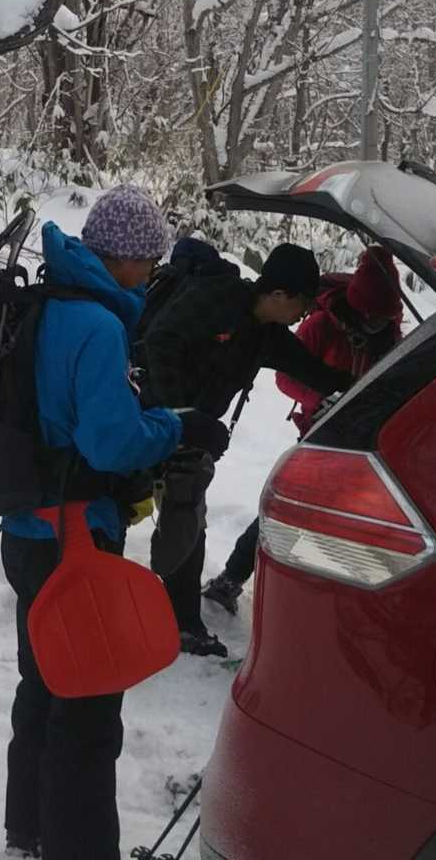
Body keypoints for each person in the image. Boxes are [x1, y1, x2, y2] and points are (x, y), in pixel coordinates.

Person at [0, 186, 227, 860]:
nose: (152, 272)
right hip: (74, 539)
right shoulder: (97, 326)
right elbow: (110, 444)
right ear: (123, 258)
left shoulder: (46, 303)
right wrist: (175, 428)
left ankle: (28, 832)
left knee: (43, 686)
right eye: (149, 260)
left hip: (26, 529)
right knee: (89, 712)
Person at [134, 241, 352, 657]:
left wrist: (366, 386)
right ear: (280, 294)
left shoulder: (265, 333)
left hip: (190, 436)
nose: (305, 314)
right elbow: (160, 340)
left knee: (186, 512)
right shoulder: (217, 299)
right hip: (151, 418)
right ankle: (91, 588)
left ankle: (182, 622)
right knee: (121, 502)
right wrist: (179, 414)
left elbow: (311, 370)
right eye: (304, 304)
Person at [203, 245, 405, 615]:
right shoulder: (322, 325)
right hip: (320, 435)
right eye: (371, 316)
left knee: (347, 526)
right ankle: (231, 578)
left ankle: (320, 600)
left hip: (369, 444)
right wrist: (322, 399)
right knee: (288, 508)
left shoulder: (390, 335)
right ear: (357, 306)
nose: (376, 323)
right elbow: (286, 377)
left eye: (383, 317)